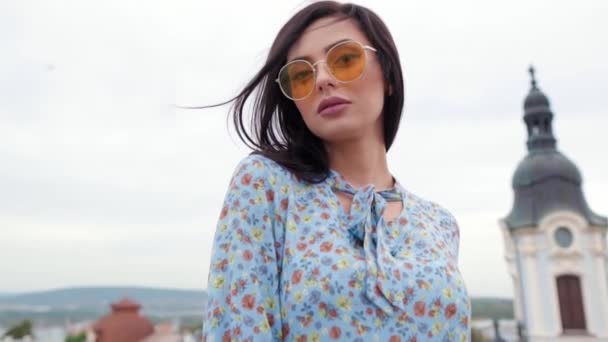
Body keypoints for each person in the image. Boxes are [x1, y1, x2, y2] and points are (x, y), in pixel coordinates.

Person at [202, 2, 470, 341]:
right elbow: (237, 329)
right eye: (301, 75)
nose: (323, 80)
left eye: (345, 59)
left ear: (387, 75)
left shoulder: (440, 223)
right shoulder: (266, 185)